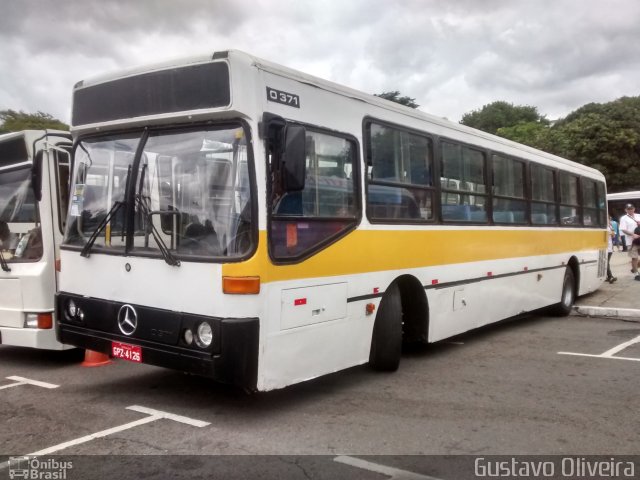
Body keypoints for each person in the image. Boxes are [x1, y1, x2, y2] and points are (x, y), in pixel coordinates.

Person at [619, 203, 640, 280]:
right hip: (632, 241)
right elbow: (623, 229)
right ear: (625, 210)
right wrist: (632, 234)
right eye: (628, 209)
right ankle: (636, 274)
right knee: (634, 257)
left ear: (634, 209)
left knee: (636, 258)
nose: (630, 210)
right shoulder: (623, 218)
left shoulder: (638, 216)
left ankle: (634, 268)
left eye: (631, 208)